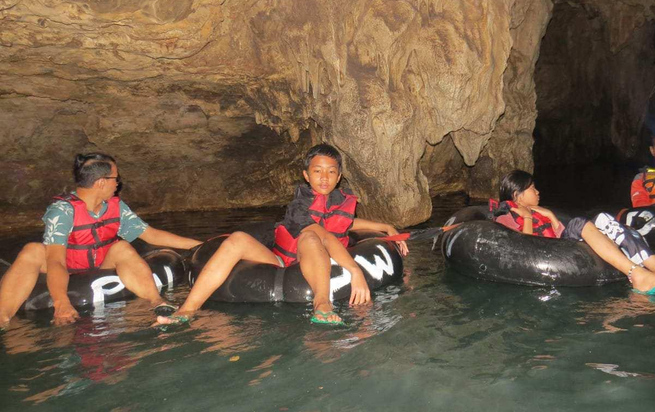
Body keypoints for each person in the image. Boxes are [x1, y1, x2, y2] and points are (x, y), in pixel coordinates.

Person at [157, 143, 409, 326]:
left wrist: (385, 227)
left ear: (339, 176)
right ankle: (188, 309)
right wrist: (354, 270)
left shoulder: (339, 200)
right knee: (239, 239)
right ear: (306, 175)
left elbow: (345, 222)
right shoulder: (300, 207)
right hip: (286, 262)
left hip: (320, 261)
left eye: (331, 171)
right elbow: (324, 234)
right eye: (317, 171)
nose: (324, 177)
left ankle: (321, 305)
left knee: (312, 237)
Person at [0, 153, 202, 330]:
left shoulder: (115, 207)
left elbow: (151, 235)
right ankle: (3, 317)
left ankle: (156, 301)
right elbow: (56, 261)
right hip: (67, 266)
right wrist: (62, 302)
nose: (118, 183)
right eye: (115, 178)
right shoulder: (62, 211)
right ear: (101, 182)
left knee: (121, 247)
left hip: (99, 265)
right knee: (32, 250)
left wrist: (199, 245)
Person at [491, 170, 655, 296]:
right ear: (518, 195)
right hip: (545, 253)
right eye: (532, 189)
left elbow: (558, 233)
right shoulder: (506, 216)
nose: (538, 192)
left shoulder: (541, 212)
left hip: (561, 247)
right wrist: (528, 216)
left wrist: (550, 216)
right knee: (578, 222)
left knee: (604, 218)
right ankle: (637, 275)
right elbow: (525, 246)